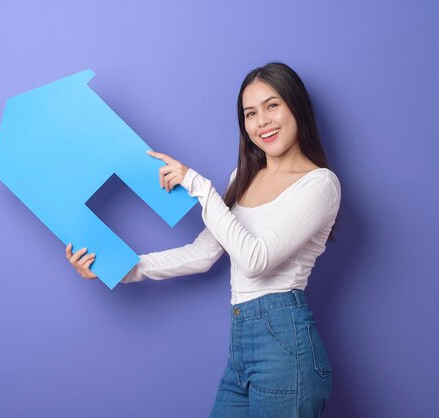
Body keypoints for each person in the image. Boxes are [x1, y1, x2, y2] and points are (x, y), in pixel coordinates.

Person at [66, 62, 341, 417]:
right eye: (250, 113)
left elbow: (256, 260)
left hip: (286, 347)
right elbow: (202, 254)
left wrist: (198, 186)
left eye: (273, 106)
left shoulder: (319, 184)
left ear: (296, 106)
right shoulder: (243, 176)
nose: (262, 122)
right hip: (242, 341)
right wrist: (120, 268)